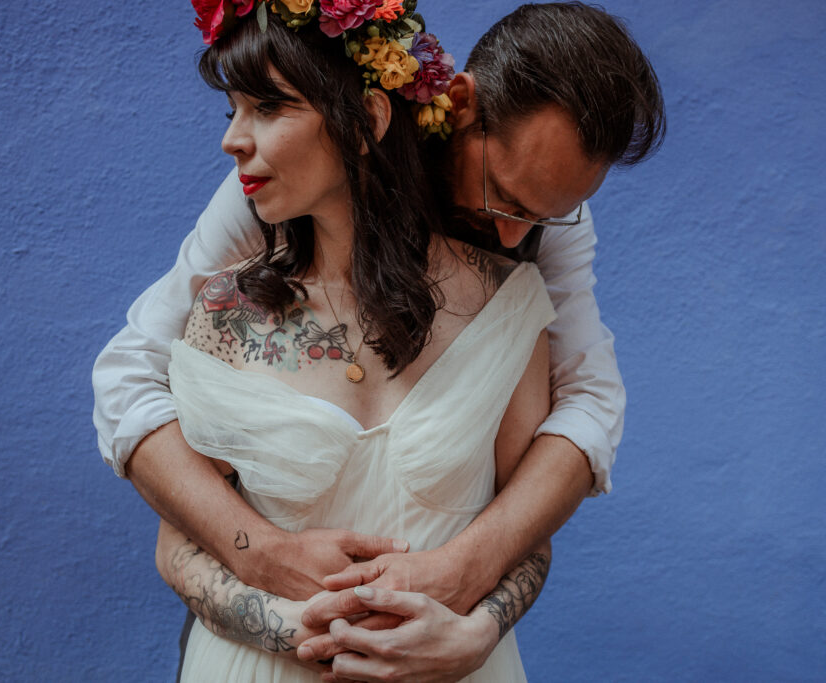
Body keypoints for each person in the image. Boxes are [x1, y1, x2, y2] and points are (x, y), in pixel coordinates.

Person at [92, 1, 665, 679]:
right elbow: (133, 370)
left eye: (544, 215)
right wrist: (260, 555)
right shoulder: (285, 186)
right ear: (460, 105)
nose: (515, 237)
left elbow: (589, 404)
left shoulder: (528, 259)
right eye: (502, 197)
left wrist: (469, 591)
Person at [156, 3, 554, 680]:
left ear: (368, 118)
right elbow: (178, 545)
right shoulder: (226, 313)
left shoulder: (504, 305)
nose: (233, 139)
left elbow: (528, 536)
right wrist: (291, 630)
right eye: (232, 111)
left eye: (269, 108)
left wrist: (478, 630)